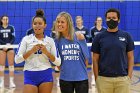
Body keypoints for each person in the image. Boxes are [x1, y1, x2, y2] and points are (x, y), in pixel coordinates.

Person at [15, 9, 61, 93]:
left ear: (45, 25)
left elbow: (58, 62)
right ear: (32, 25)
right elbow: (17, 60)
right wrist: (31, 51)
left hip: (46, 74)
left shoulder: (50, 41)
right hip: (30, 74)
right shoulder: (26, 39)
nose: (37, 26)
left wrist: (46, 52)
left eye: (40, 23)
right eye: (35, 23)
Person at [91, 8, 134, 93]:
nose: (111, 20)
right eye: (109, 18)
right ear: (106, 19)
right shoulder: (99, 37)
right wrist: (97, 78)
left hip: (122, 79)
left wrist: (128, 77)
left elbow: (130, 57)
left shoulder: (126, 36)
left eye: (114, 18)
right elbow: (95, 59)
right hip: (104, 79)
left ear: (118, 20)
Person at [55, 12, 89, 93]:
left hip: (81, 79)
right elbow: (58, 62)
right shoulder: (57, 40)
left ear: (68, 23)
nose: (59, 24)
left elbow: (86, 59)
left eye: (62, 22)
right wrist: (65, 71)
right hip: (65, 79)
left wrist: (79, 73)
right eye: (58, 22)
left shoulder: (79, 36)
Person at [90, 16, 106, 86]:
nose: (99, 22)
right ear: (96, 21)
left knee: (103, 63)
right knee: (94, 63)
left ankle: (102, 78)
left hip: (103, 48)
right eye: (98, 20)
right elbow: (90, 39)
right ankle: (93, 78)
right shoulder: (92, 29)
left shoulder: (104, 29)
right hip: (94, 48)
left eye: (100, 20)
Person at [0, 15, 16, 88]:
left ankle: (11, 82)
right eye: (4, 19)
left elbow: (13, 38)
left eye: (7, 19)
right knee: (1, 66)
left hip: (10, 47)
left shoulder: (11, 27)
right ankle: (1, 82)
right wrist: (4, 45)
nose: (5, 20)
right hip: (1, 48)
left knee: (11, 65)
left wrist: (9, 44)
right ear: (1, 20)